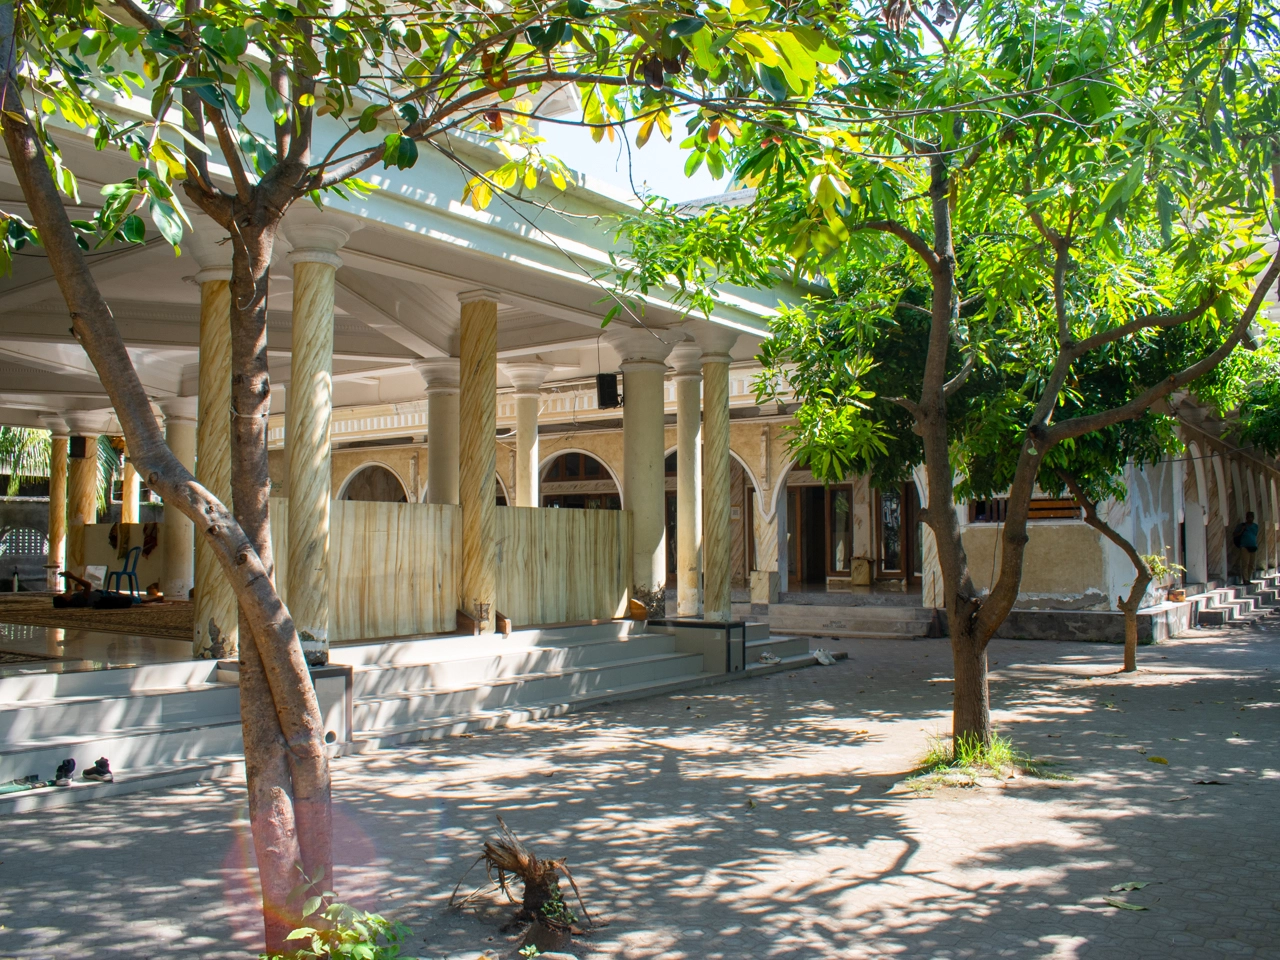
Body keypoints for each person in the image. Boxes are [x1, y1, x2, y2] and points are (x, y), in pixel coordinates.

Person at [1232, 511, 1260, 583]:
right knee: (1245, 563)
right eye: (1248, 517)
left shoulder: (1255, 526)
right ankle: (1245, 579)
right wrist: (1242, 530)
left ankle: (1248, 578)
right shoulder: (1242, 526)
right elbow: (1235, 534)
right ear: (1246, 518)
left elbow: (1255, 534)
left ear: (1253, 518)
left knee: (1251, 564)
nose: (1250, 518)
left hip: (1253, 547)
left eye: (1251, 517)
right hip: (1244, 546)